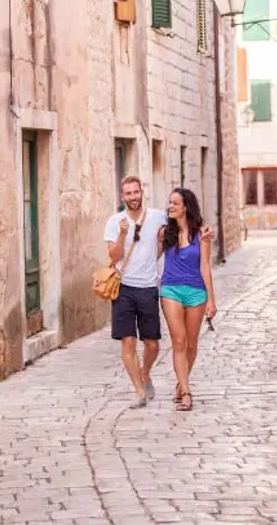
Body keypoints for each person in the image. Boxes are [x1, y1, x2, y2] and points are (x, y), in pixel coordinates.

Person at [104, 176, 213, 409]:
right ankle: (140, 392)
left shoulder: (158, 218)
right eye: (128, 193)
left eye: (136, 192)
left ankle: (146, 373)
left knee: (153, 344)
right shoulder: (115, 221)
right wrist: (122, 234)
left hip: (148, 287)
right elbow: (113, 256)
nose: (133, 197)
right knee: (129, 341)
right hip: (124, 287)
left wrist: (206, 230)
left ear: (141, 192)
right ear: (122, 196)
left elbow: (186, 221)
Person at [158, 188, 217, 412]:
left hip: (196, 292)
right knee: (179, 341)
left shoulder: (202, 234)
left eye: (175, 203)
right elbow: (150, 255)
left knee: (192, 344)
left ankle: (180, 383)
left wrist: (211, 299)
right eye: (170, 203)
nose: (171, 206)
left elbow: (205, 267)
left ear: (186, 207)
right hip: (170, 290)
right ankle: (186, 392)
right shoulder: (165, 233)